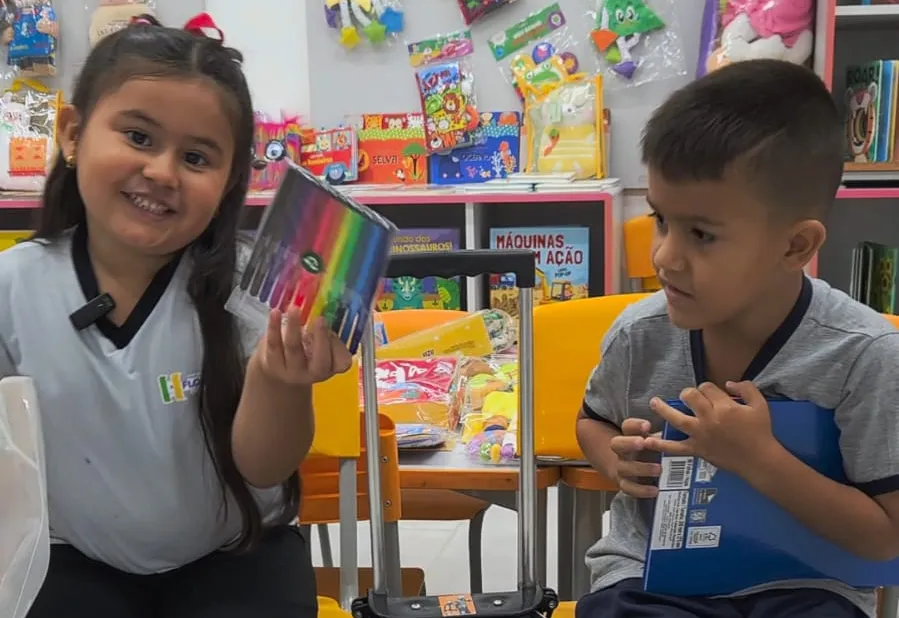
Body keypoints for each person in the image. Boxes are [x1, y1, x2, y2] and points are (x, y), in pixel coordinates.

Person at [0, 13, 351, 618]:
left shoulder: (256, 287)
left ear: (230, 180)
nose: (161, 172)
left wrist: (279, 378)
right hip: (74, 560)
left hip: (240, 556)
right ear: (73, 134)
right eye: (138, 137)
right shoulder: (15, 286)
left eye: (195, 157)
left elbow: (266, 465)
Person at [574, 59, 899, 618]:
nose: (664, 257)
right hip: (648, 582)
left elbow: (886, 539)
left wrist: (759, 459)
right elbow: (592, 421)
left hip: (806, 589)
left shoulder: (864, 356)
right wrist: (616, 460)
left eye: (701, 234)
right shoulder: (638, 335)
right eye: (660, 220)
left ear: (795, 247)